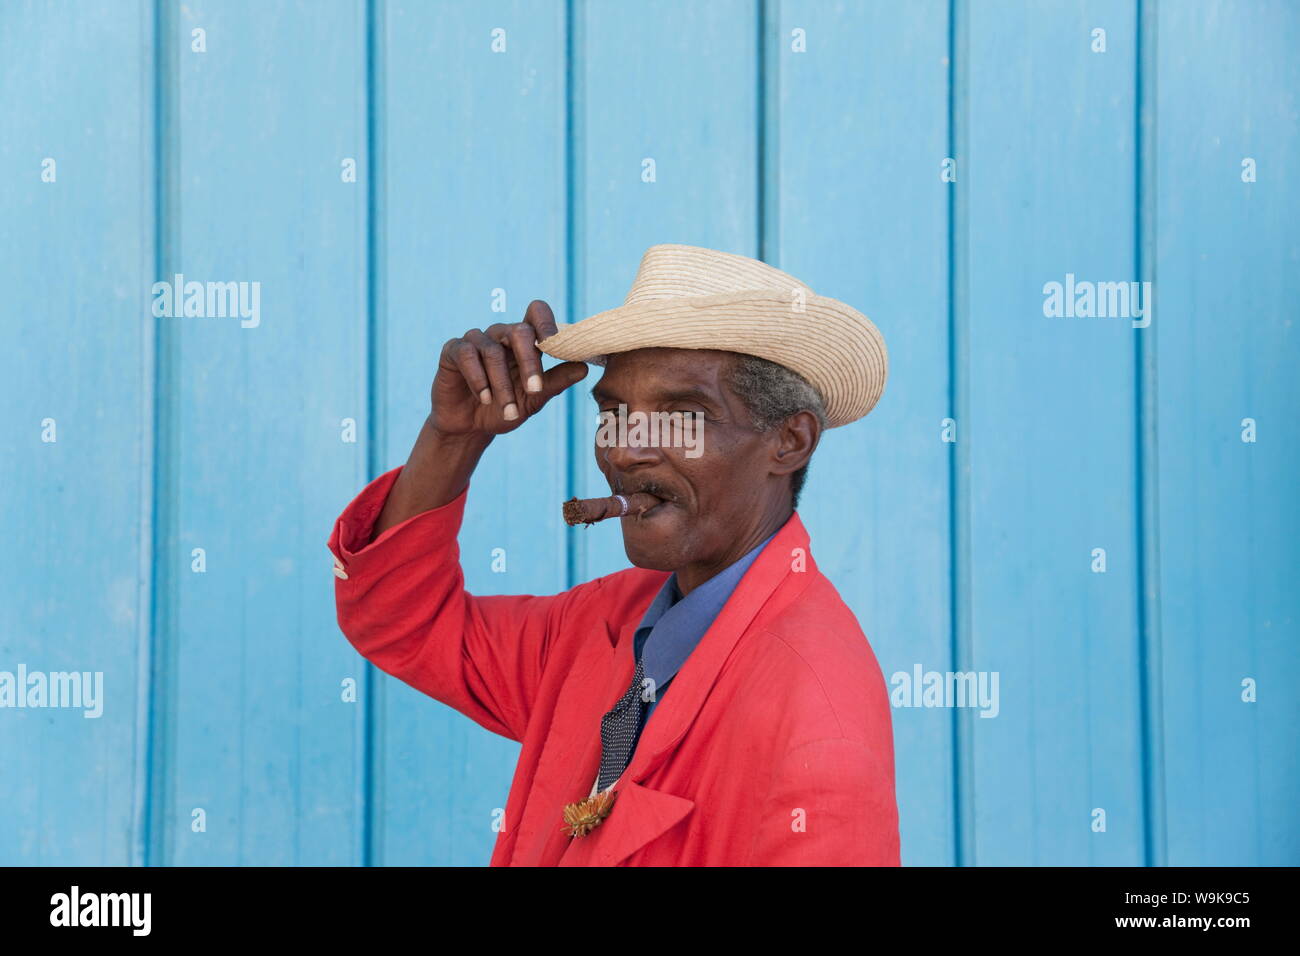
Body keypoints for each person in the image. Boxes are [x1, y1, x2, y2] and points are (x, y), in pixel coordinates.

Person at [328, 243, 898, 865]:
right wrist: (453, 439)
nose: (625, 452)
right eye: (615, 414)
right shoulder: (598, 627)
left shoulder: (816, 722)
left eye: (683, 414)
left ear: (789, 441)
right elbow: (399, 620)